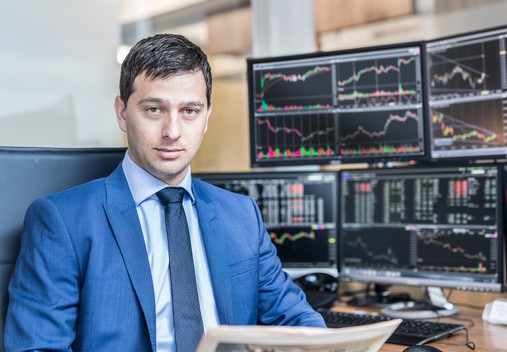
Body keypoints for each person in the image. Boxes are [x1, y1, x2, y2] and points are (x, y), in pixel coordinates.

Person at [4, 34, 325, 351]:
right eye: (154, 109)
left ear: (207, 116)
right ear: (122, 113)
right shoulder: (62, 219)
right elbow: (36, 347)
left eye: (189, 111)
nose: (172, 132)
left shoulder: (241, 214)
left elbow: (297, 321)